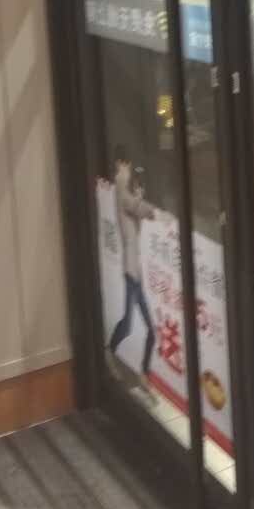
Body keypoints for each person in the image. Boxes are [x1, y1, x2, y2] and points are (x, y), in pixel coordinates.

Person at [107, 145, 157, 394]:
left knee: (144, 328)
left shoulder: (123, 184)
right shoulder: (120, 180)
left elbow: (133, 208)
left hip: (134, 270)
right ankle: (111, 354)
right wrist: (149, 208)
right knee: (136, 326)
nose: (126, 169)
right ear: (122, 163)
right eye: (125, 164)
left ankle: (142, 373)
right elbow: (131, 205)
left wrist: (143, 204)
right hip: (131, 271)